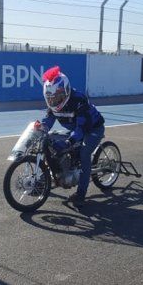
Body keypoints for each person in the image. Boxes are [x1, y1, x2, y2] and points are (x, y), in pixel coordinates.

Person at [40, 66, 105, 206]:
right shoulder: (53, 105)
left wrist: (70, 141)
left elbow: (82, 127)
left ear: (66, 90)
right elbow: (49, 120)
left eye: (57, 96)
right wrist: (42, 128)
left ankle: (81, 194)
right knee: (49, 139)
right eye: (50, 97)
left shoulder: (78, 100)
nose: (54, 100)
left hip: (92, 128)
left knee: (84, 154)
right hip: (75, 129)